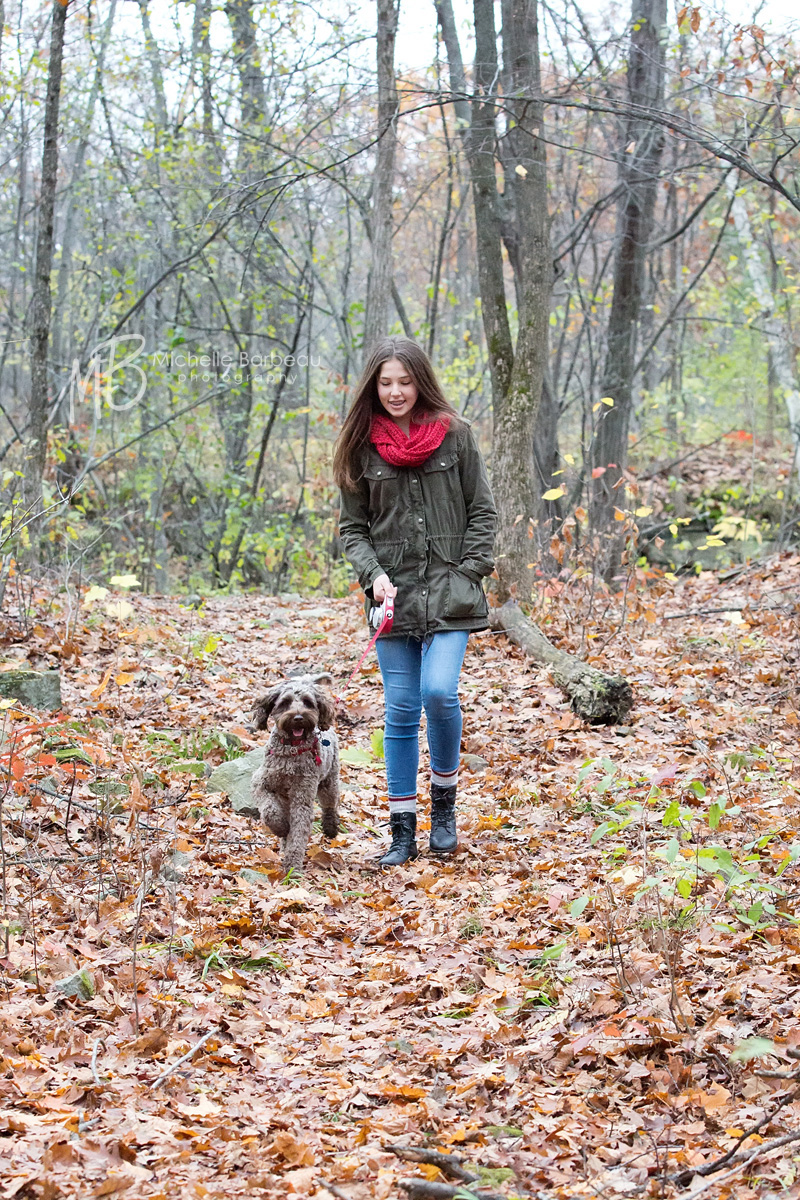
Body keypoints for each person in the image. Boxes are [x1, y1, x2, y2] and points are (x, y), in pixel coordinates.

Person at [333, 337, 497, 865]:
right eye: (385, 383)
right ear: (372, 387)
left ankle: (443, 809)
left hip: (451, 595)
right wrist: (373, 574)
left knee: (438, 692)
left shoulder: (457, 436)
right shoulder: (361, 446)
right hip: (393, 599)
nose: (396, 392)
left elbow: (484, 513)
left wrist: (469, 573)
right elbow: (352, 529)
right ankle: (402, 831)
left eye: (405, 381)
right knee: (400, 710)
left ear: (420, 381)